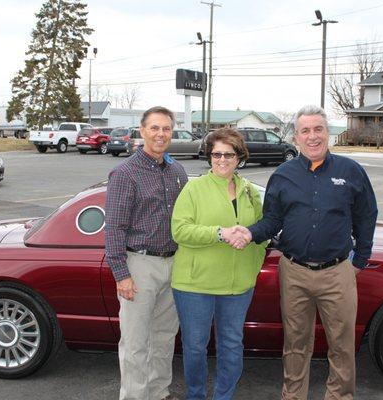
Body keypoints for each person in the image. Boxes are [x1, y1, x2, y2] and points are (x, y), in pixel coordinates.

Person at [231, 105, 378, 400]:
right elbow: (272, 220)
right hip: (294, 272)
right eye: (305, 131)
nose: (313, 137)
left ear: (328, 133)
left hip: (337, 273)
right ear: (296, 137)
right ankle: (293, 395)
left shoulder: (351, 172)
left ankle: (339, 396)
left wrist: (359, 260)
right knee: (296, 343)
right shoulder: (283, 175)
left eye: (318, 129)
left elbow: (366, 215)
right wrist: (249, 233)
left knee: (341, 344)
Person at [170, 128, 267, 400]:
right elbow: (180, 231)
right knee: (195, 347)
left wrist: (252, 258)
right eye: (216, 154)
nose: (221, 160)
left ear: (239, 158)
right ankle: (196, 395)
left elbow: (261, 233)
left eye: (228, 154)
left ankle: (224, 396)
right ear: (209, 156)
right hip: (195, 285)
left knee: (232, 346)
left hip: (238, 286)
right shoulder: (194, 189)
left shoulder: (249, 192)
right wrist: (220, 233)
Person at [105, 106, 188, 400]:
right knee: (136, 342)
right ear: (142, 131)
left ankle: (158, 393)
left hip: (173, 264)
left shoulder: (177, 171)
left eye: (166, 128)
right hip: (139, 265)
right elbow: (114, 227)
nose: (160, 134)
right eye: (154, 128)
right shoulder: (125, 173)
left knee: (164, 338)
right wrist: (121, 274)